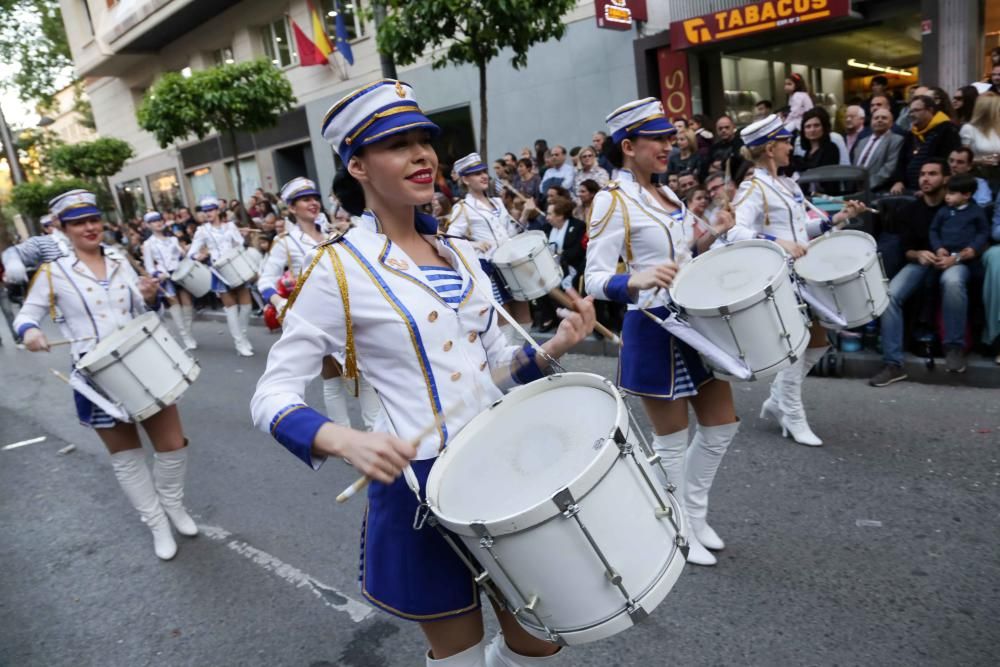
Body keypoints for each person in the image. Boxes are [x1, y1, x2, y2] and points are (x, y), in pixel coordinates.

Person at [251, 79, 595, 666]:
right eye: (396, 144)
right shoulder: (339, 269)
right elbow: (270, 395)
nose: (421, 156)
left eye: (424, 141)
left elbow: (491, 370)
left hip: (502, 462)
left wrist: (549, 349)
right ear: (357, 165)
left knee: (541, 639)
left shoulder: (462, 254)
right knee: (455, 653)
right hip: (422, 486)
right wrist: (343, 439)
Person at [584, 97, 740, 568]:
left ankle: (694, 512)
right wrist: (635, 279)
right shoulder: (611, 201)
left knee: (722, 426)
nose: (670, 146)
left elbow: (683, 253)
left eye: (672, 138)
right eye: (659, 139)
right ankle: (676, 525)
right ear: (628, 146)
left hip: (692, 320)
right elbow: (591, 280)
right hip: (651, 325)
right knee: (671, 441)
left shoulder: (669, 195)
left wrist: (713, 232)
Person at [13, 189, 198, 561]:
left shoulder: (119, 260)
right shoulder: (53, 273)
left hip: (143, 362)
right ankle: (156, 523)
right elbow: (25, 315)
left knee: (173, 445)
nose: (90, 227)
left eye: (94, 219)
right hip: (96, 376)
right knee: (127, 457)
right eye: (79, 223)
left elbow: (144, 309)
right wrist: (30, 332)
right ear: (63, 229)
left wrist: (148, 296)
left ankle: (173, 505)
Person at [725, 115, 867, 445]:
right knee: (801, 345)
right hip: (779, 278)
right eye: (786, 141)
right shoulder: (753, 187)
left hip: (803, 275)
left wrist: (840, 219)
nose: (792, 146)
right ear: (771, 148)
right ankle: (791, 412)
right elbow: (734, 230)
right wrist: (778, 243)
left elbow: (803, 232)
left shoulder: (788, 184)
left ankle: (777, 400)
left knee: (819, 342)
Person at [258, 177, 381, 431]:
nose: (313, 203)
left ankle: (374, 431)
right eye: (305, 200)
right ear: (292, 208)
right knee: (333, 379)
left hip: (351, 311)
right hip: (316, 317)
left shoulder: (333, 232)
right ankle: (344, 433)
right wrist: (280, 302)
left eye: (314, 198)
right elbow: (265, 280)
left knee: (367, 375)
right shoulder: (286, 242)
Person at [871, 163, 985, 384]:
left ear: (945, 179)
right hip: (922, 263)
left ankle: (954, 348)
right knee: (890, 296)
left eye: (932, 174)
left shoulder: (957, 203)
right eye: (922, 174)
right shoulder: (911, 210)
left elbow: (979, 235)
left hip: (953, 262)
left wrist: (957, 257)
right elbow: (905, 248)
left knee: (953, 283)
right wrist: (919, 254)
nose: (925, 179)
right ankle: (893, 363)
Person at [448, 152, 532, 336]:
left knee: (525, 320)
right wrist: (474, 244)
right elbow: (449, 239)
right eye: (477, 173)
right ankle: (508, 363)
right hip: (491, 269)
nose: (484, 176)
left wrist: (525, 215)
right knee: (506, 326)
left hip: (511, 264)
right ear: (465, 179)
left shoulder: (498, 202)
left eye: (484, 171)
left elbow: (510, 233)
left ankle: (521, 361)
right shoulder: (463, 207)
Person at [186, 195, 254, 356]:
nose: (208, 213)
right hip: (219, 271)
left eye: (211, 210)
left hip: (236, 266)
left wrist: (242, 237)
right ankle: (239, 343)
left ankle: (243, 337)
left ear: (218, 210)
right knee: (231, 308)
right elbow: (192, 253)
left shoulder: (230, 226)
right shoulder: (202, 231)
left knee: (247, 307)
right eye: (205, 211)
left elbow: (240, 245)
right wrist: (202, 256)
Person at [141, 211, 197, 349]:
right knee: (175, 306)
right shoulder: (148, 244)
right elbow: (149, 266)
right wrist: (158, 274)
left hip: (180, 274)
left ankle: (189, 333)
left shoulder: (173, 239)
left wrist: (184, 252)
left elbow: (182, 255)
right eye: (154, 221)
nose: (158, 223)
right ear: (148, 225)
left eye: (159, 220)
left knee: (188, 305)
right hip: (165, 277)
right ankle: (185, 337)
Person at [891, 94, 962, 194]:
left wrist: (930, 188)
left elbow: (948, 164)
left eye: (916, 110)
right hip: (909, 189)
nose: (911, 114)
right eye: (910, 111)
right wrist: (899, 181)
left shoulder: (947, 130)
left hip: (936, 191)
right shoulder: (911, 134)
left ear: (930, 110)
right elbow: (901, 161)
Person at [534, 198, 587, 331]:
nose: (547, 217)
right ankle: (549, 316)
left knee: (563, 281)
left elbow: (577, 251)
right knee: (538, 281)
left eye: (550, 214)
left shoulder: (578, 226)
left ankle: (568, 316)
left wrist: (558, 254)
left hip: (570, 266)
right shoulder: (545, 228)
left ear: (560, 216)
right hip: (549, 266)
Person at [853, 107, 904, 192]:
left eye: (884, 118)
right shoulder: (862, 141)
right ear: (871, 122)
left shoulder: (897, 140)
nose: (879, 120)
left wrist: (866, 186)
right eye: (876, 118)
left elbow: (889, 168)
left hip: (877, 189)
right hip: (855, 189)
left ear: (891, 123)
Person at [959, 94, 1000, 185]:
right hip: (978, 176)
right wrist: (981, 161)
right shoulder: (969, 129)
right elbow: (962, 159)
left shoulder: (998, 128)